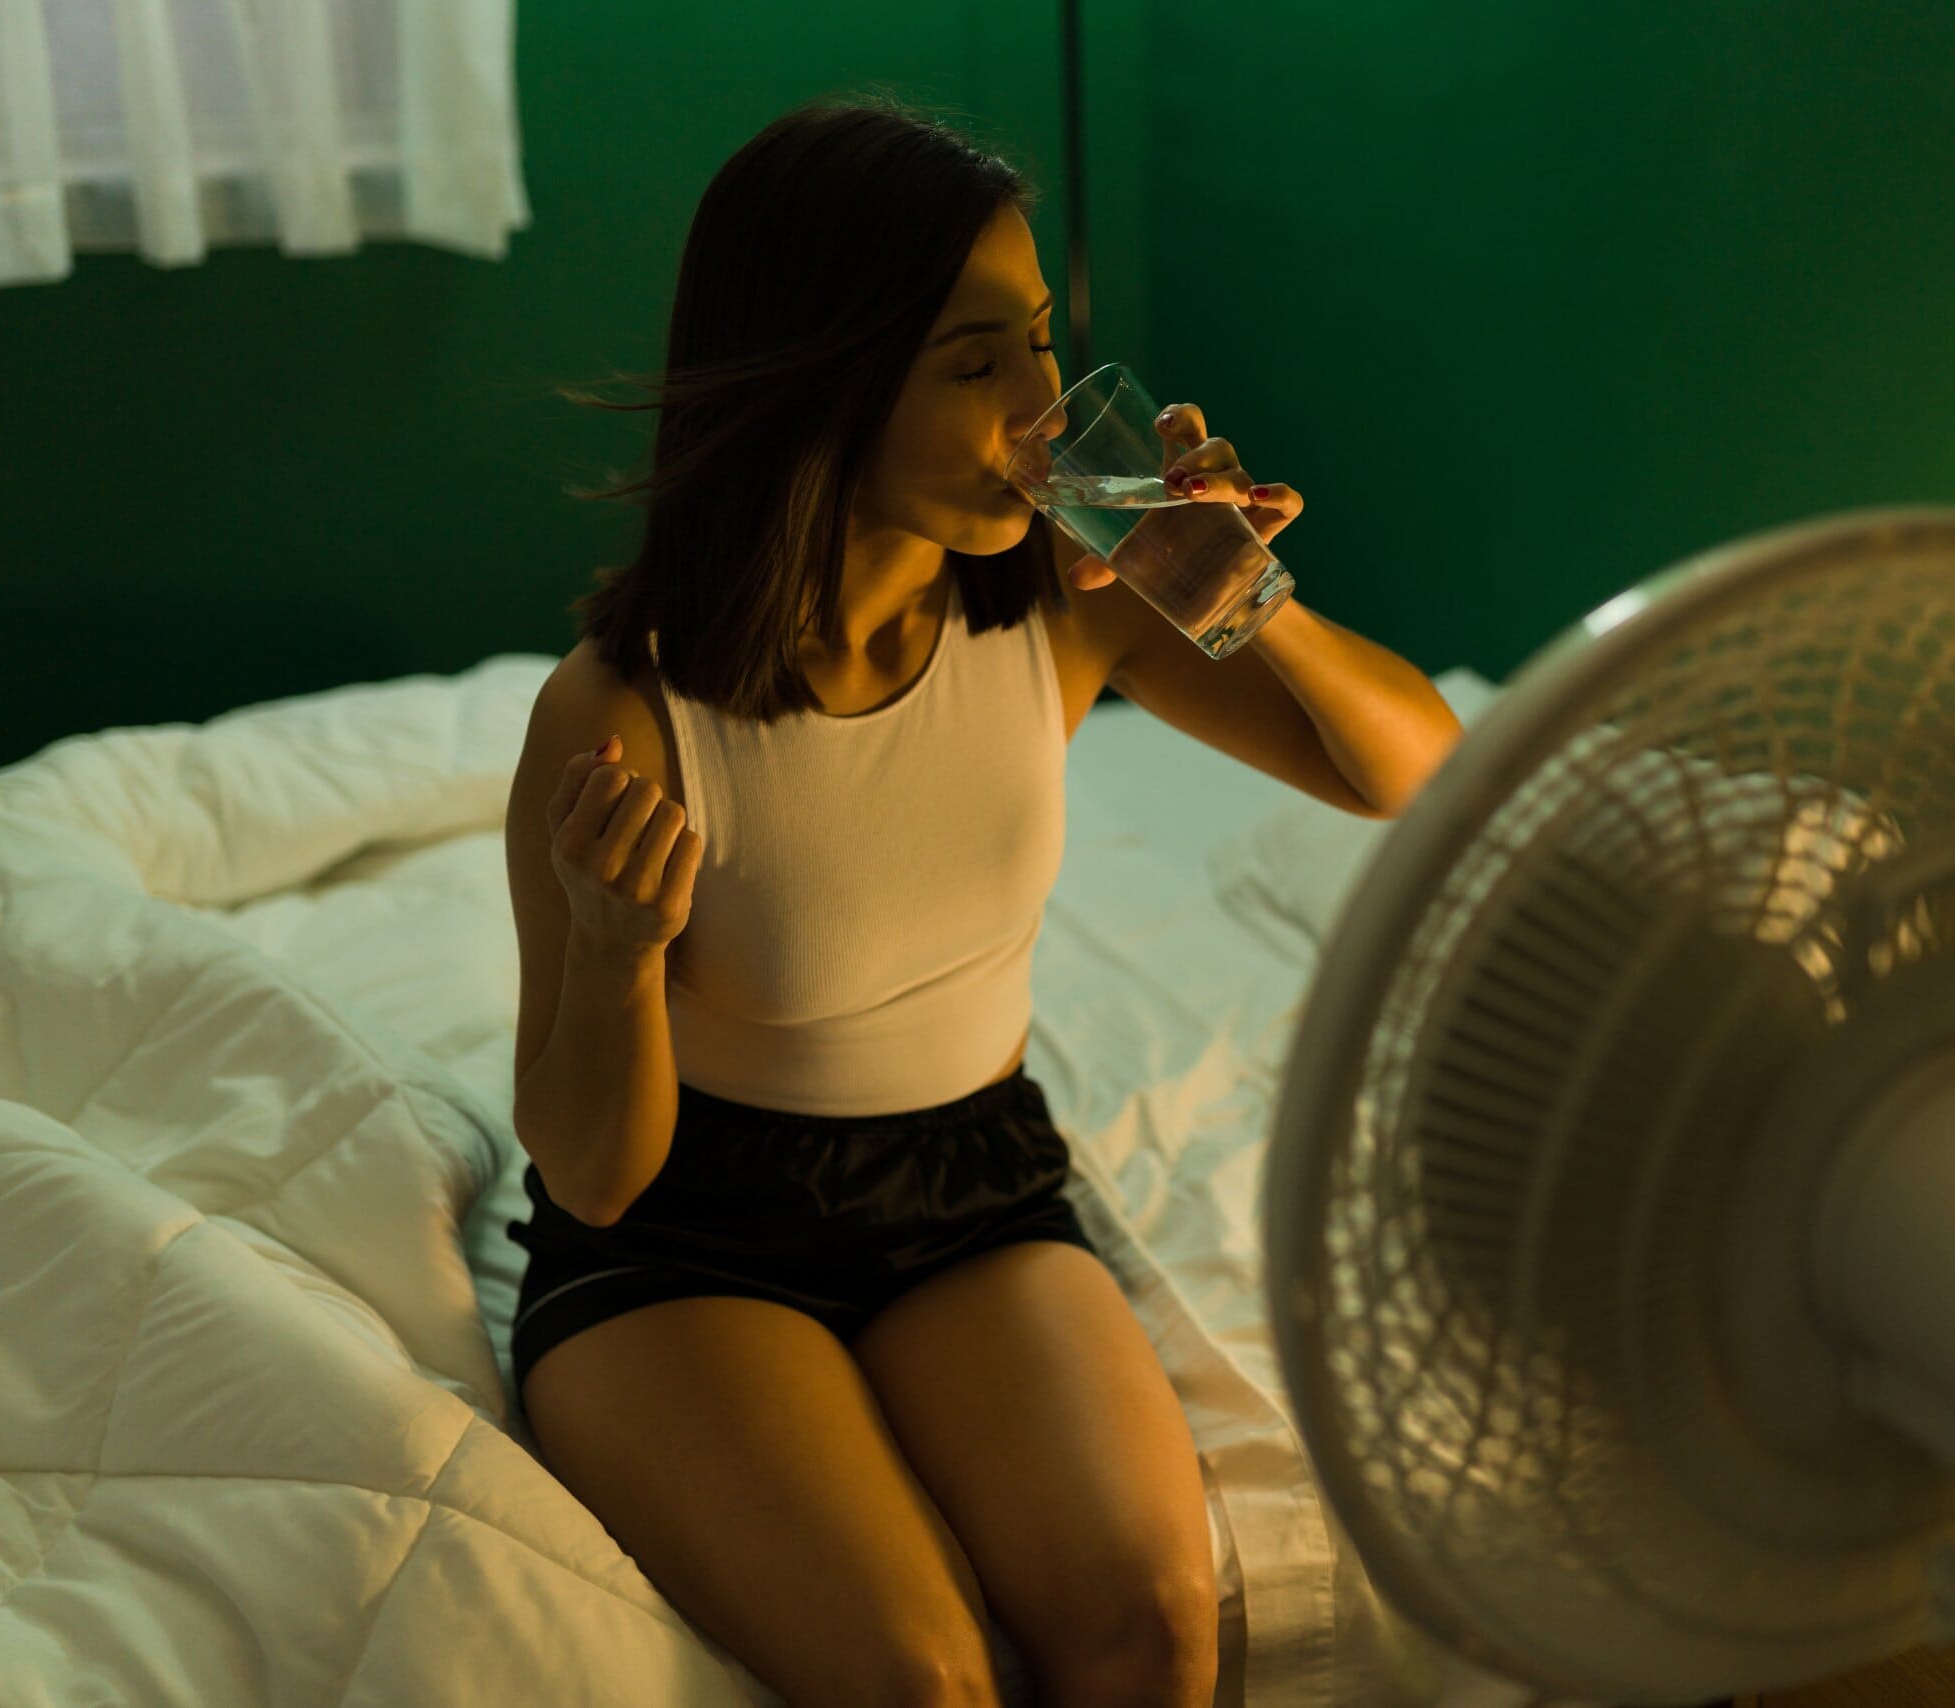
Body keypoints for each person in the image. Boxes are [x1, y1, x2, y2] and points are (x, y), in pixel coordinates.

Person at [499, 94, 1463, 1708]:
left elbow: (1411, 773)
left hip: (968, 1177)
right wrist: (612, 959)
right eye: (972, 365)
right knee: (923, 1681)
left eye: (1038, 344)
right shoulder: (624, 715)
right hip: (689, 1235)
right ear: (825, 381)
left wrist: (1250, 598)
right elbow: (595, 1175)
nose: (1038, 412)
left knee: (1157, 1628)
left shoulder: (1070, 612)